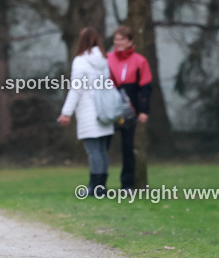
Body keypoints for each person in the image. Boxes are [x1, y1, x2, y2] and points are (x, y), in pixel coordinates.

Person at [57, 28, 115, 196]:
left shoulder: (80, 61)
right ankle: (101, 186)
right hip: (105, 110)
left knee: (93, 151)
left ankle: (94, 187)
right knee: (102, 150)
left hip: (89, 111)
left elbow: (76, 89)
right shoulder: (104, 60)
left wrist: (66, 112)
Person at [106, 25, 153, 190]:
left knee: (127, 148)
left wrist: (144, 111)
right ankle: (100, 183)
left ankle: (127, 184)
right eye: (116, 39)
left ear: (130, 41)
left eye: (122, 39)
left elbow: (145, 88)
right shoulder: (107, 58)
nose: (118, 43)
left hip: (130, 111)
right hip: (109, 110)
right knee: (104, 146)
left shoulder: (140, 61)